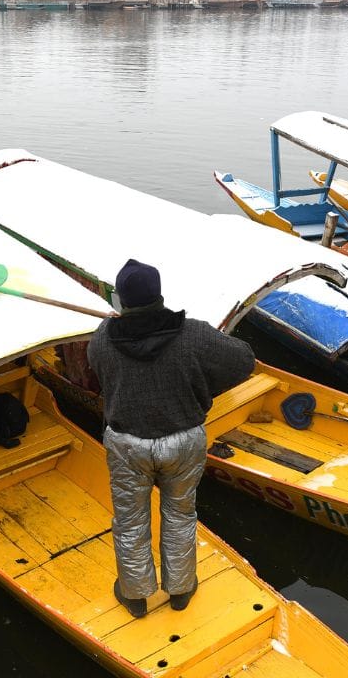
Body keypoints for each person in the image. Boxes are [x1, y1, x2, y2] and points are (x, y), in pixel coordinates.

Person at [87, 258, 255, 618]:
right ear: (159, 294)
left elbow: (101, 373)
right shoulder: (193, 334)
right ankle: (180, 589)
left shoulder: (102, 339)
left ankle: (135, 595)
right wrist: (203, 387)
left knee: (130, 520)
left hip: (127, 444)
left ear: (122, 302)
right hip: (183, 441)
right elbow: (244, 361)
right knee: (180, 514)